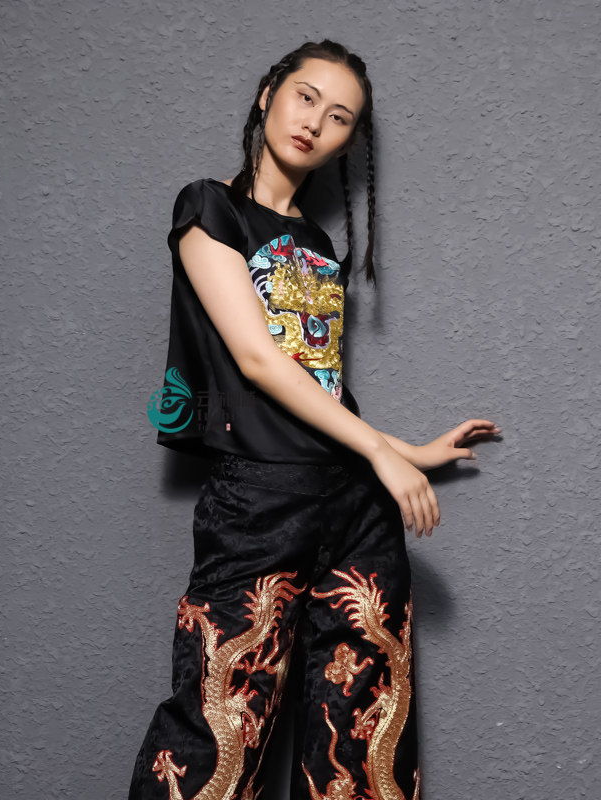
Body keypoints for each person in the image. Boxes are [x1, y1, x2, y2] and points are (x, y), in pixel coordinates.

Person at [131, 39, 500, 800]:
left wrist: (408, 451)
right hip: (259, 504)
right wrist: (383, 454)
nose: (315, 123)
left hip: (356, 505)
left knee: (365, 736)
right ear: (268, 93)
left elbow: (319, 391)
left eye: (339, 118)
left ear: (346, 142)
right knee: (216, 729)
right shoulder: (209, 207)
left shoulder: (317, 244)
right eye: (305, 97)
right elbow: (259, 361)